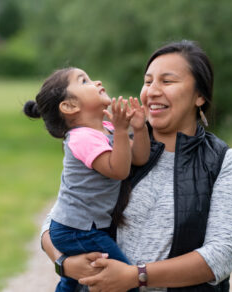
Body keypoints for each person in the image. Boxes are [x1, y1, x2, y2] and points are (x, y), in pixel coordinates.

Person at [41, 40, 232, 292]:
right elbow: (56, 220)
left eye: (167, 81)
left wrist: (135, 276)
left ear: (199, 96)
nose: (152, 90)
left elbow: (219, 257)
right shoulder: (119, 150)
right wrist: (64, 264)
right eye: (148, 81)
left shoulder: (224, 163)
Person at [24, 67, 150, 292]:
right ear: (70, 106)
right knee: (123, 277)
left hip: (82, 227)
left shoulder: (107, 130)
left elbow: (139, 158)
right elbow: (118, 170)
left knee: (73, 281)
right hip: (76, 229)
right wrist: (122, 132)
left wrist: (138, 129)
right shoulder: (81, 138)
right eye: (84, 81)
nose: (97, 81)